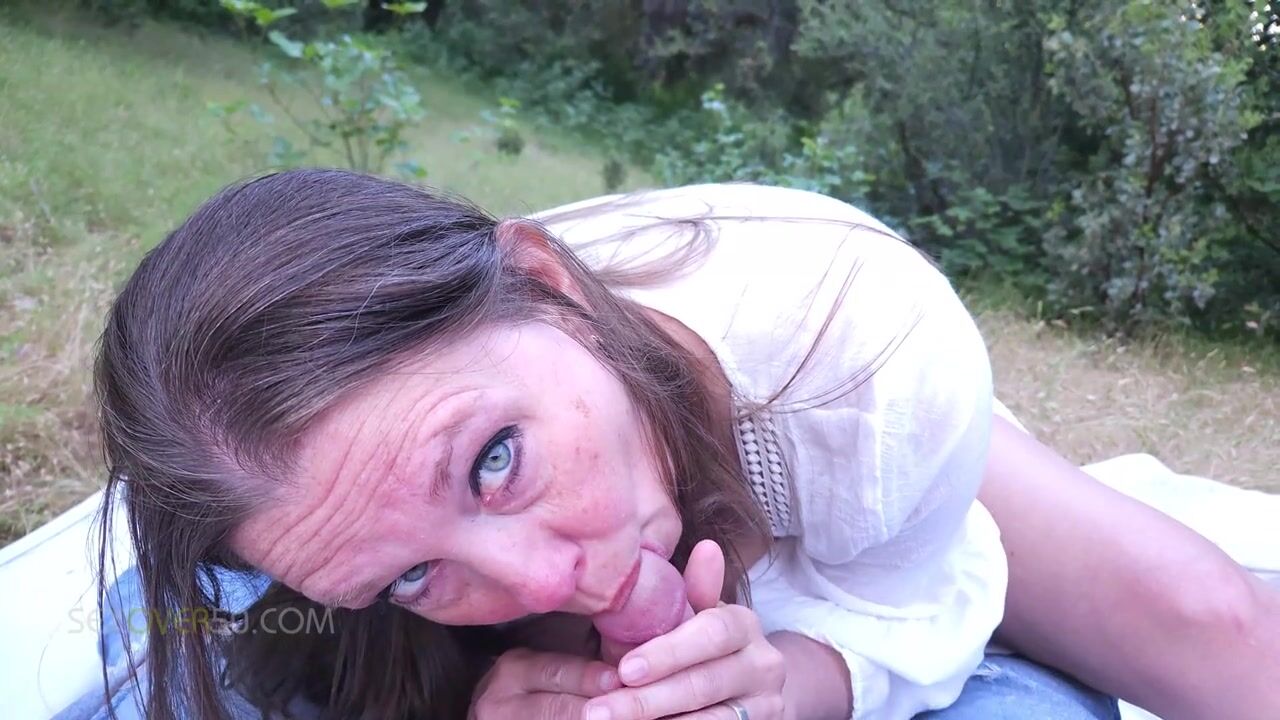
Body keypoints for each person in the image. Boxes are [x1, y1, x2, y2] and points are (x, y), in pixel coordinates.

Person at [89, 169, 1279, 720]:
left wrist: (786, 688)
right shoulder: (295, 527)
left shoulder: (855, 364)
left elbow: (909, 610)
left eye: (495, 461)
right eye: (408, 577)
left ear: (548, 281)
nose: (538, 585)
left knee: (1210, 623)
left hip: (816, 411)